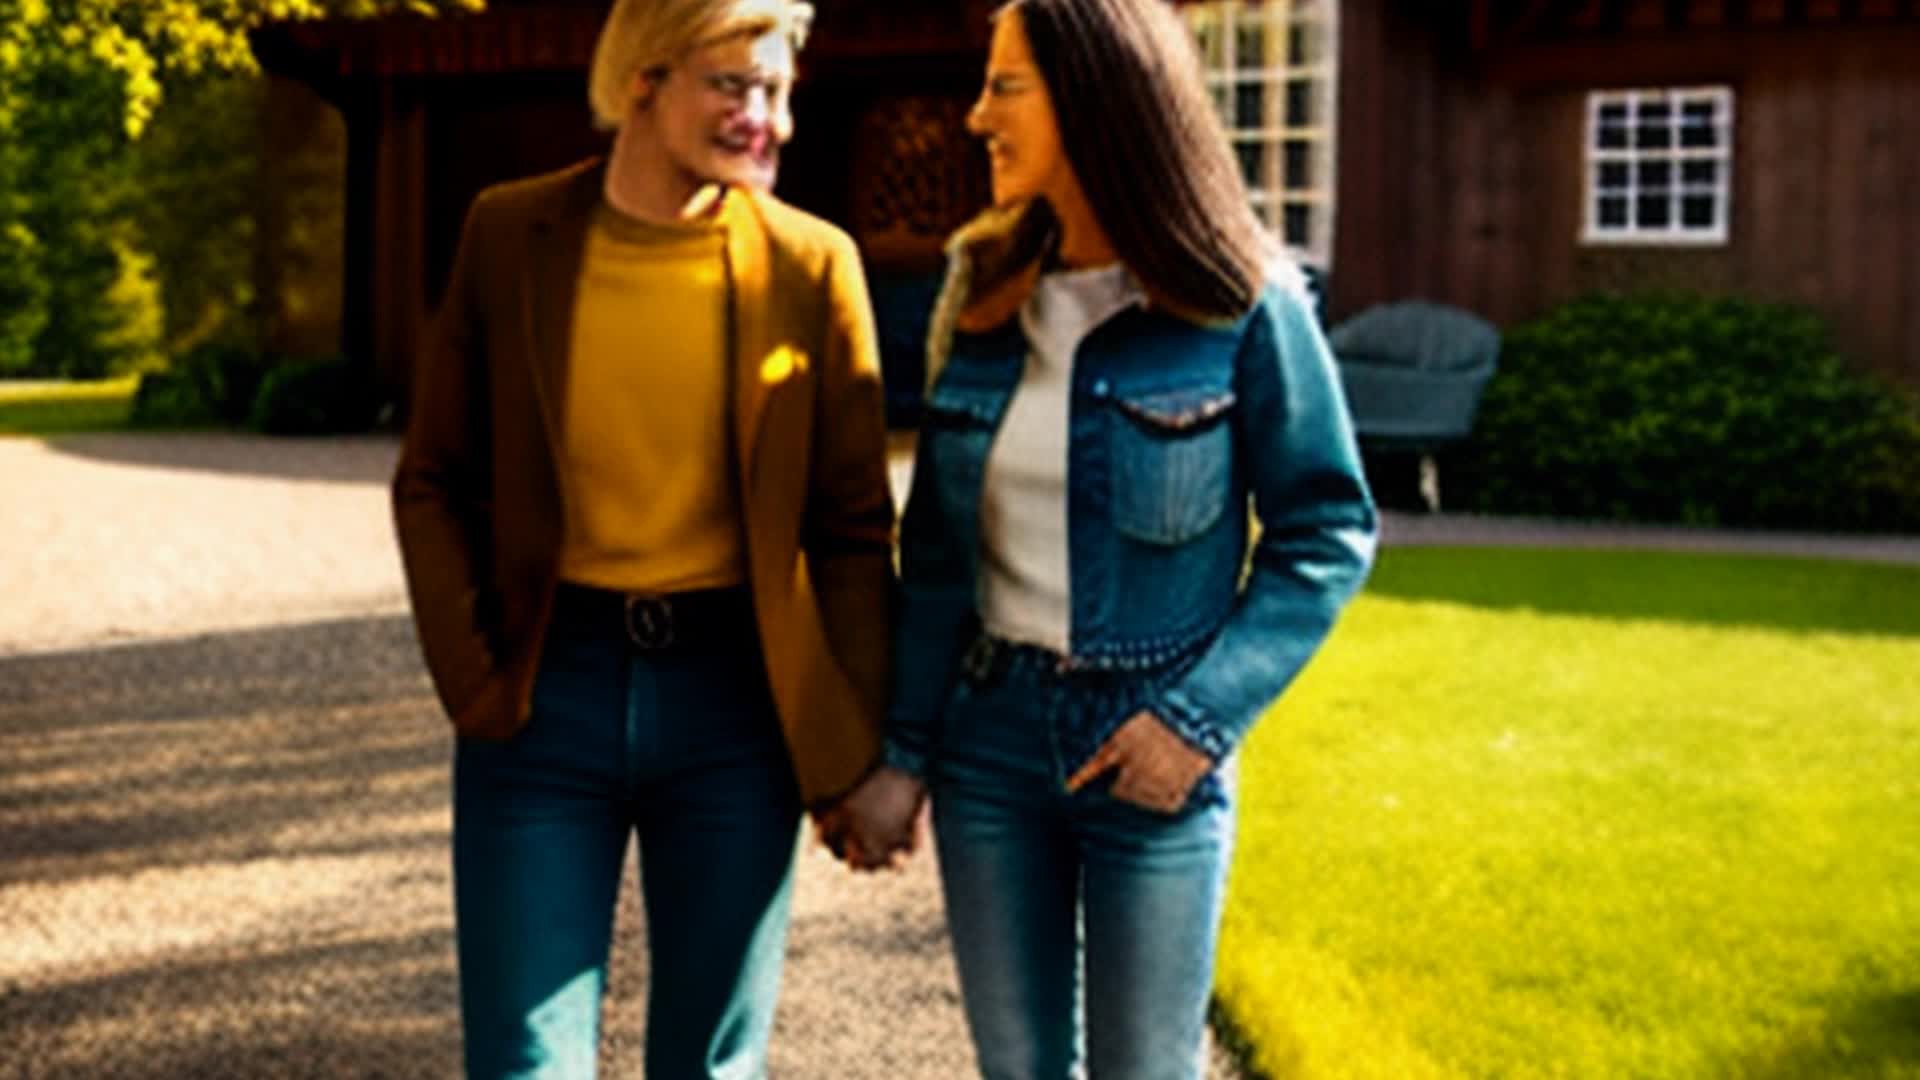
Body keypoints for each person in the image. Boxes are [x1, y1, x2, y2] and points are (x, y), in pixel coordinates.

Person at [864, 0, 1379, 1075]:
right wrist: (903, 755)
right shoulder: (980, 290)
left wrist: (1196, 721)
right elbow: (940, 564)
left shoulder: (1244, 302)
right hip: (989, 746)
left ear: (1094, 96)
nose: (974, 117)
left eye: (1004, 88)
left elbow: (1326, 530)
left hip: (1154, 750)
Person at [390, 0, 902, 1074]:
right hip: (543, 700)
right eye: (733, 86)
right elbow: (433, 479)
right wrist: (473, 682)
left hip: (736, 711)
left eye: (776, 92)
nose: (764, 118)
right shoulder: (507, 234)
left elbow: (852, 531)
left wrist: (848, 750)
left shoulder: (815, 267)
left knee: (712, 1065)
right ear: (643, 84)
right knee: (527, 1058)